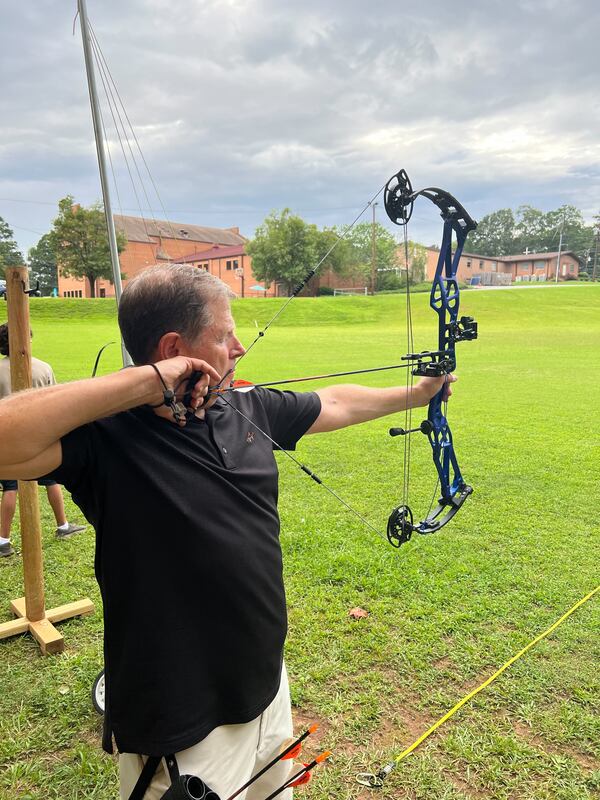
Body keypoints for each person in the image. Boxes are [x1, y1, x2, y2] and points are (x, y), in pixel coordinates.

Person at [0, 265, 454, 799]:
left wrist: (418, 394)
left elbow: (336, 402)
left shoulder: (246, 407)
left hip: (264, 684)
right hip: (184, 719)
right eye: (224, 334)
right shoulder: (104, 439)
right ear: (174, 347)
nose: (239, 347)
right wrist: (147, 381)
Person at [0, 323, 85, 557]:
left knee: (10, 487)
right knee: (51, 481)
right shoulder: (44, 368)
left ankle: (3, 541)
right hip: (42, 439)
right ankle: (63, 525)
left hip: (8, 440)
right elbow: (56, 403)